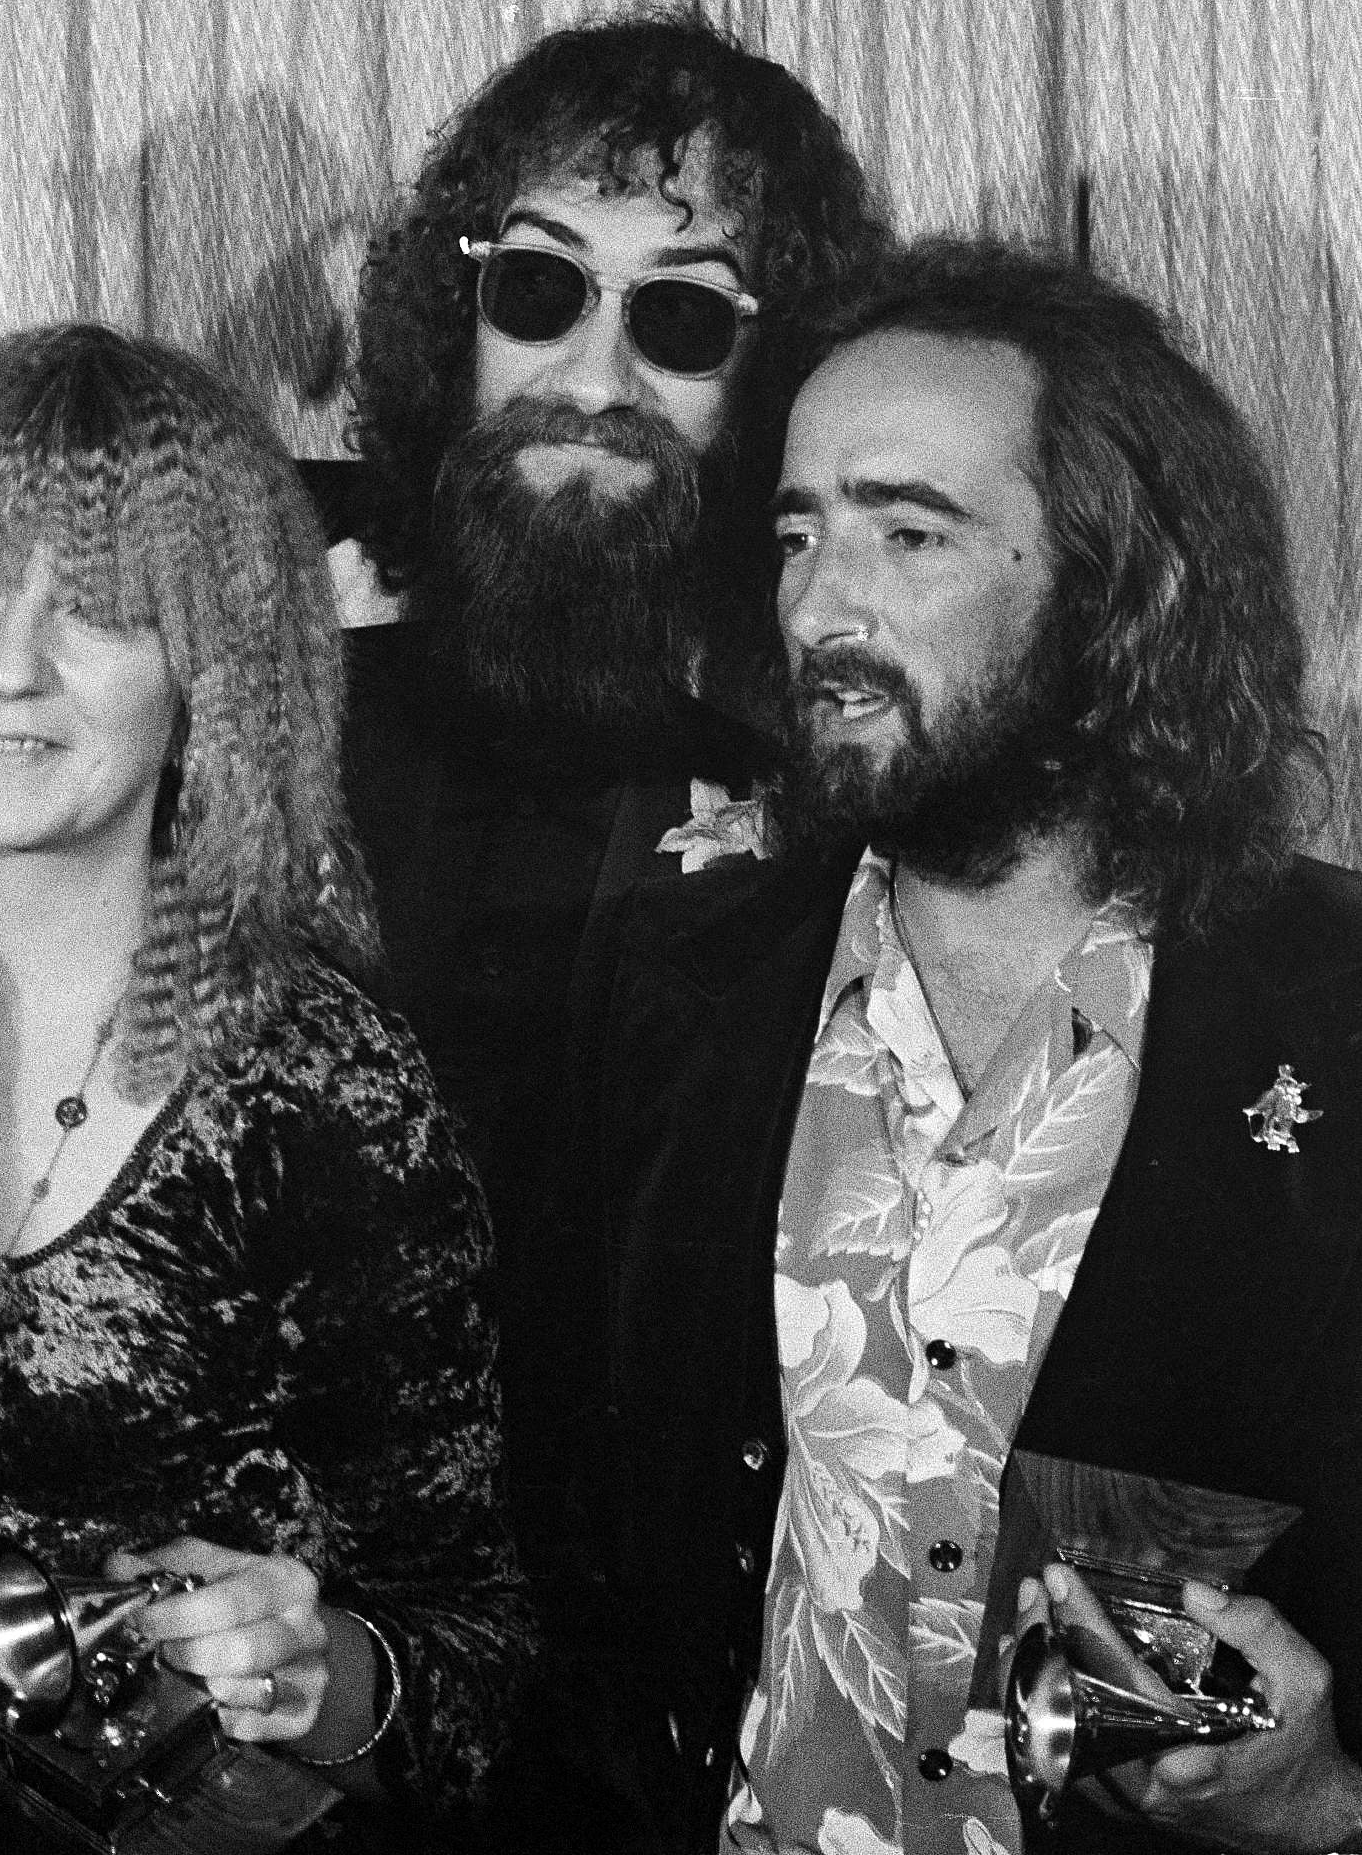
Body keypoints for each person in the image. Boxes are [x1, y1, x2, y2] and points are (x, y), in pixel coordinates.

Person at [0, 14, 889, 1596]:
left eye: (680, 319)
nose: (591, 376)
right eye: (538, 289)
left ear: (777, 378)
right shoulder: (234, 632)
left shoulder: (835, 792)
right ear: (453, 311)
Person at [565, 242, 1362, 1853]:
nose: (817, 605)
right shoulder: (673, 978)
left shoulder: (1332, 1012)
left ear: (1114, 582)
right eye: (798, 532)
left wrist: (1327, 1799)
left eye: (905, 532)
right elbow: (572, 1565)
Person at [0, 322, 530, 1822]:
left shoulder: (322, 1097)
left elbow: (473, 1650)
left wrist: (313, 1667)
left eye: (99, 613)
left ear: (215, 676)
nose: (5, 662)